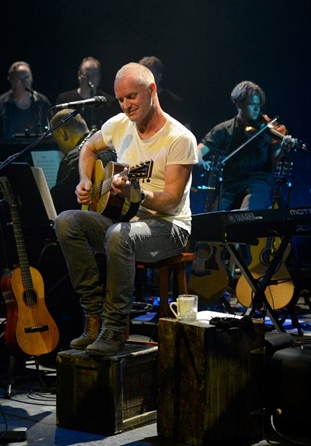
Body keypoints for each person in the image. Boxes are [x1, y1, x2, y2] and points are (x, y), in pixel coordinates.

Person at [54, 62, 198, 356]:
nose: (126, 105)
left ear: (152, 90)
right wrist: (84, 180)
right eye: (121, 99)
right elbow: (88, 148)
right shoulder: (119, 124)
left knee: (120, 235)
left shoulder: (179, 138)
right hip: (126, 220)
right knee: (66, 221)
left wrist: (139, 194)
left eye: (132, 96)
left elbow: (170, 200)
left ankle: (115, 328)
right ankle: (93, 318)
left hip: (169, 227)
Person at [197, 80, 295, 211]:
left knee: (245, 214)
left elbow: (276, 163)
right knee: (215, 217)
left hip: (259, 183)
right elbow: (198, 151)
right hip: (230, 186)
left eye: (258, 105)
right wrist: (200, 161)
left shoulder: (267, 130)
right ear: (238, 104)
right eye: (251, 104)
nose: (257, 109)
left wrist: (284, 149)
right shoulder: (224, 129)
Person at [49, 108, 117, 213]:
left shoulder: (73, 158)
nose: (60, 149)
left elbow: (59, 204)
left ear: (64, 134)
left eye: (57, 142)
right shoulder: (112, 147)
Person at [0, 61, 51, 138]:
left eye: (27, 78)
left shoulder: (42, 102)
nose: (25, 82)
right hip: (8, 149)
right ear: (11, 81)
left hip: (36, 149)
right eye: (19, 79)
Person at [55, 57, 119, 131]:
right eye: (86, 74)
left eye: (94, 75)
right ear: (79, 75)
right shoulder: (64, 99)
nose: (90, 79)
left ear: (99, 77)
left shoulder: (109, 102)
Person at [138, 56, 192, 130]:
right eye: (142, 74)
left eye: (149, 74)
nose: (144, 78)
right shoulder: (134, 101)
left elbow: (186, 132)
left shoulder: (175, 103)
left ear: (159, 76)